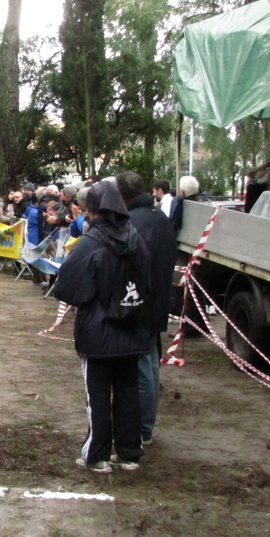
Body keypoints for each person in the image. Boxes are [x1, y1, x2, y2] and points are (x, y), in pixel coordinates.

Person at [53, 181, 151, 473]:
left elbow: (67, 287)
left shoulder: (90, 243)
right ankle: (130, 452)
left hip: (98, 331)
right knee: (128, 391)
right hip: (132, 328)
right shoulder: (137, 240)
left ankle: (97, 455)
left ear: (92, 211)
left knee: (96, 394)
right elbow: (148, 282)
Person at [117, 171, 177, 445]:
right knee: (150, 364)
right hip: (156, 301)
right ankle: (145, 427)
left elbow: (130, 266)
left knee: (142, 367)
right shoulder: (160, 218)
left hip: (139, 304)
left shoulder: (133, 222)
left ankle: (142, 429)